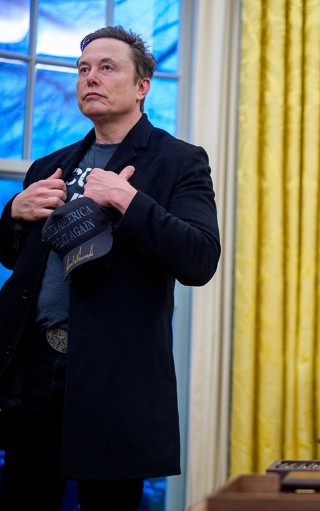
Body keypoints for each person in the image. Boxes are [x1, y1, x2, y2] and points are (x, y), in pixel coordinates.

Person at [0, 26, 220, 510]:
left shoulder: (179, 161)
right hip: (35, 370)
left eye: (106, 68)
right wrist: (13, 213)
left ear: (142, 86)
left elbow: (200, 258)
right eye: (83, 69)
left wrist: (129, 201)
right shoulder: (49, 166)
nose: (89, 79)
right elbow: (18, 260)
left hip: (113, 380)